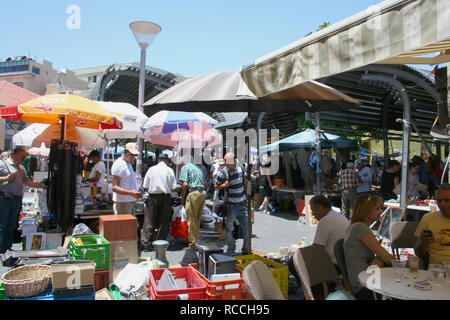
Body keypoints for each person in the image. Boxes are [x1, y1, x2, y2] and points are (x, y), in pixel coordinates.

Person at [343, 194, 396, 300]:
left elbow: (380, 256)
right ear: (366, 210)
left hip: (365, 280)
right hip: (365, 286)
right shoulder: (361, 228)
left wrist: (378, 260)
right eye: (377, 208)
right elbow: (386, 257)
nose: (381, 211)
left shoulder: (355, 226)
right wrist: (403, 265)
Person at [0, 148, 46, 254]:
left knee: (12, 224)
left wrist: (40, 185)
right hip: (5, 198)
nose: (24, 159)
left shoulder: (21, 168)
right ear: (14, 155)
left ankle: (7, 247)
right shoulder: (2, 164)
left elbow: (27, 182)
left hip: (16, 199)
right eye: (22, 156)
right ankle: (1, 249)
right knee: (3, 224)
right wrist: (6, 178)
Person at [140, 153, 179, 251]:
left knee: (149, 220)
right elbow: (173, 188)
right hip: (166, 198)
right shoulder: (169, 170)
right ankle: (160, 244)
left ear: (158, 160)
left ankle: (146, 244)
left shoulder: (151, 169)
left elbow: (145, 186)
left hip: (153, 197)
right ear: (166, 161)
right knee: (163, 222)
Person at [215, 152, 249, 256]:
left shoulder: (242, 168)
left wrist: (247, 198)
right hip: (231, 206)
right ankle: (231, 250)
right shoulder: (223, 172)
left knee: (247, 228)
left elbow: (245, 182)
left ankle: (246, 249)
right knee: (229, 228)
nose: (227, 165)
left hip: (242, 203)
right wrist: (224, 185)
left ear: (234, 161)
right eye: (225, 162)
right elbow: (216, 185)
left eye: (229, 163)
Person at [414, 183, 450, 265]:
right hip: (437, 270)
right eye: (439, 201)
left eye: (447, 200)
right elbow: (419, 254)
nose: (442, 204)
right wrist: (422, 242)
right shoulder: (428, 219)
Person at [309, 195, 349, 264]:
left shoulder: (326, 220)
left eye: (313, 210)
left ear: (320, 207)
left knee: (292, 262)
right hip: (343, 259)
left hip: (333, 263)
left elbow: (316, 248)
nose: (313, 214)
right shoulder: (338, 215)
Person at [179, 156, 207, 250]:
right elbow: (205, 183)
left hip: (193, 193)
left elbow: (185, 184)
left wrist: (182, 198)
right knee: (197, 219)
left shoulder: (185, 167)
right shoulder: (198, 168)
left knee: (191, 218)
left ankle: (193, 243)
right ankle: (197, 239)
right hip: (202, 193)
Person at [111, 143, 141, 215]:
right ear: (126, 152)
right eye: (132, 154)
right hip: (123, 202)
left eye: (135, 155)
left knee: (130, 224)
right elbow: (114, 187)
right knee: (123, 225)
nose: (134, 157)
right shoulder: (119, 164)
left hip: (129, 201)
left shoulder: (128, 163)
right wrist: (131, 193)